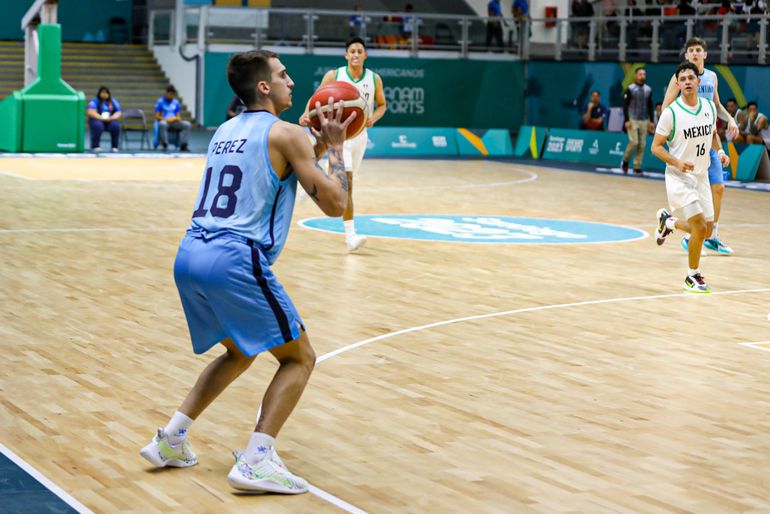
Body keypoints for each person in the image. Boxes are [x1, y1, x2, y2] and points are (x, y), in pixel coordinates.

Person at [139, 50, 353, 494]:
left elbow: (276, 167)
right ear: (263, 87)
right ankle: (257, 461)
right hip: (234, 259)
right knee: (300, 357)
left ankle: (172, 439)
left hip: (190, 254)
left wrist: (310, 145)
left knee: (240, 351)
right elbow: (336, 205)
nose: (292, 82)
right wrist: (334, 149)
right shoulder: (286, 134)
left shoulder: (224, 130)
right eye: (282, 74)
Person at [300, 37, 387, 252]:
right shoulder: (334, 75)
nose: (356, 54)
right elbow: (316, 98)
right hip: (337, 133)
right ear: (346, 55)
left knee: (346, 179)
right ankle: (350, 235)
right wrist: (306, 114)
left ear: (365, 56)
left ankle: (311, 185)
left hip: (359, 135)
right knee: (346, 183)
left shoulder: (374, 78)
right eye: (352, 51)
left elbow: (382, 105)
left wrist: (373, 118)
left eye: (360, 51)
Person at [652, 61, 730, 293]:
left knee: (705, 230)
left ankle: (668, 222)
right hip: (679, 176)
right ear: (678, 84)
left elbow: (713, 133)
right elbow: (656, 147)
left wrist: (721, 151)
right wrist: (676, 162)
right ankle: (692, 276)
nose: (687, 81)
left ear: (698, 81)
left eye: (690, 78)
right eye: (682, 79)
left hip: (701, 175)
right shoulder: (671, 113)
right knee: (697, 226)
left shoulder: (708, 107)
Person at [661, 37, 739, 255]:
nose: (695, 53)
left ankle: (711, 235)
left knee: (719, 188)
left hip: (709, 139)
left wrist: (730, 119)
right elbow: (667, 106)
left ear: (705, 54)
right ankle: (690, 234)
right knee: (692, 193)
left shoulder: (712, 77)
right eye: (691, 50)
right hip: (688, 142)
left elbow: (716, 105)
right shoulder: (679, 78)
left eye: (698, 50)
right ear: (686, 55)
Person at [621, 67, 654, 174]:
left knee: (642, 144)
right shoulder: (630, 89)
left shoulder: (648, 89)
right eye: (640, 74)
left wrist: (651, 121)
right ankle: (625, 161)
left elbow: (650, 105)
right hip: (632, 119)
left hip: (644, 120)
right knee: (634, 142)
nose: (642, 76)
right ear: (636, 76)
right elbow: (625, 106)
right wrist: (626, 120)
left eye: (644, 74)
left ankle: (637, 166)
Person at [155, 85, 192, 151]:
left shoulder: (176, 102)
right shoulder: (160, 102)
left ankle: (183, 145)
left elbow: (178, 116)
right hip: (165, 122)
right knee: (162, 124)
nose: (172, 96)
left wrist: (176, 118)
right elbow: (157, 116)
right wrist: (166, 119)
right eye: (170, 94)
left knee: (187, 124)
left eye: (173, 94)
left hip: (174, 122)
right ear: (167, 93)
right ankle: (165, 144)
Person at [86, 86, 122, 152]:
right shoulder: (94, 101)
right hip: (97, 120)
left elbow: (118, 112)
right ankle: (95, 146)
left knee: (115, 125)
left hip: (109, 120)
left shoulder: (113, 102)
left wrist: (112, 117)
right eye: (102, 93)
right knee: (98, 125)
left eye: (106, 93)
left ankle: (115, 146)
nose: (104, 94)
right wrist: (101, 118)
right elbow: (90, 112)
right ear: (99, 93)